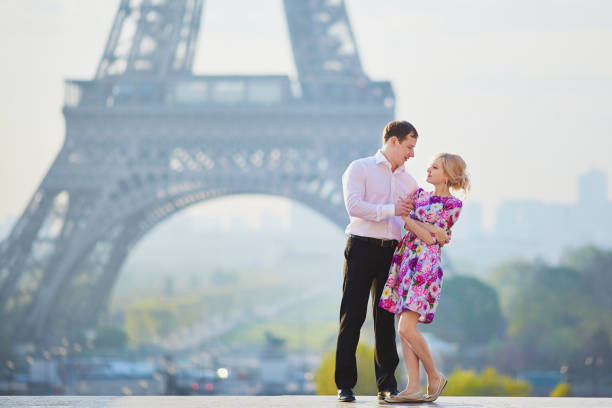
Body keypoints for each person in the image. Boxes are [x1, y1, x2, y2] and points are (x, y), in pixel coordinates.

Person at [335, 120, 428, 402]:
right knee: (352, 317)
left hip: (392, 253)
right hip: (361, 249)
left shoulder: (409, 182)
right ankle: (345, 385)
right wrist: (392, 209)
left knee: (386, 320)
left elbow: (420, 216)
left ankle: (387, 384)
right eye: (409, 147)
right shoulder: (359, 168)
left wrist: (438, 231)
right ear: (394, 141)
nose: (412, 154)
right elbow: (354, 206)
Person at [379, 153, 470, 403]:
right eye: (429, 165)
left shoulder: (454, 206)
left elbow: (429, 240)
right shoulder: (418, 195)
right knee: (406, 332)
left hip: (425, 268)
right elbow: (432, 234)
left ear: (449, 175)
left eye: (435, 167)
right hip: (406, 263)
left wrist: (411, 220)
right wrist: (431, 228)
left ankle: (434, 375)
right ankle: (412, 387)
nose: (428, 169)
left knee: (405, 327)